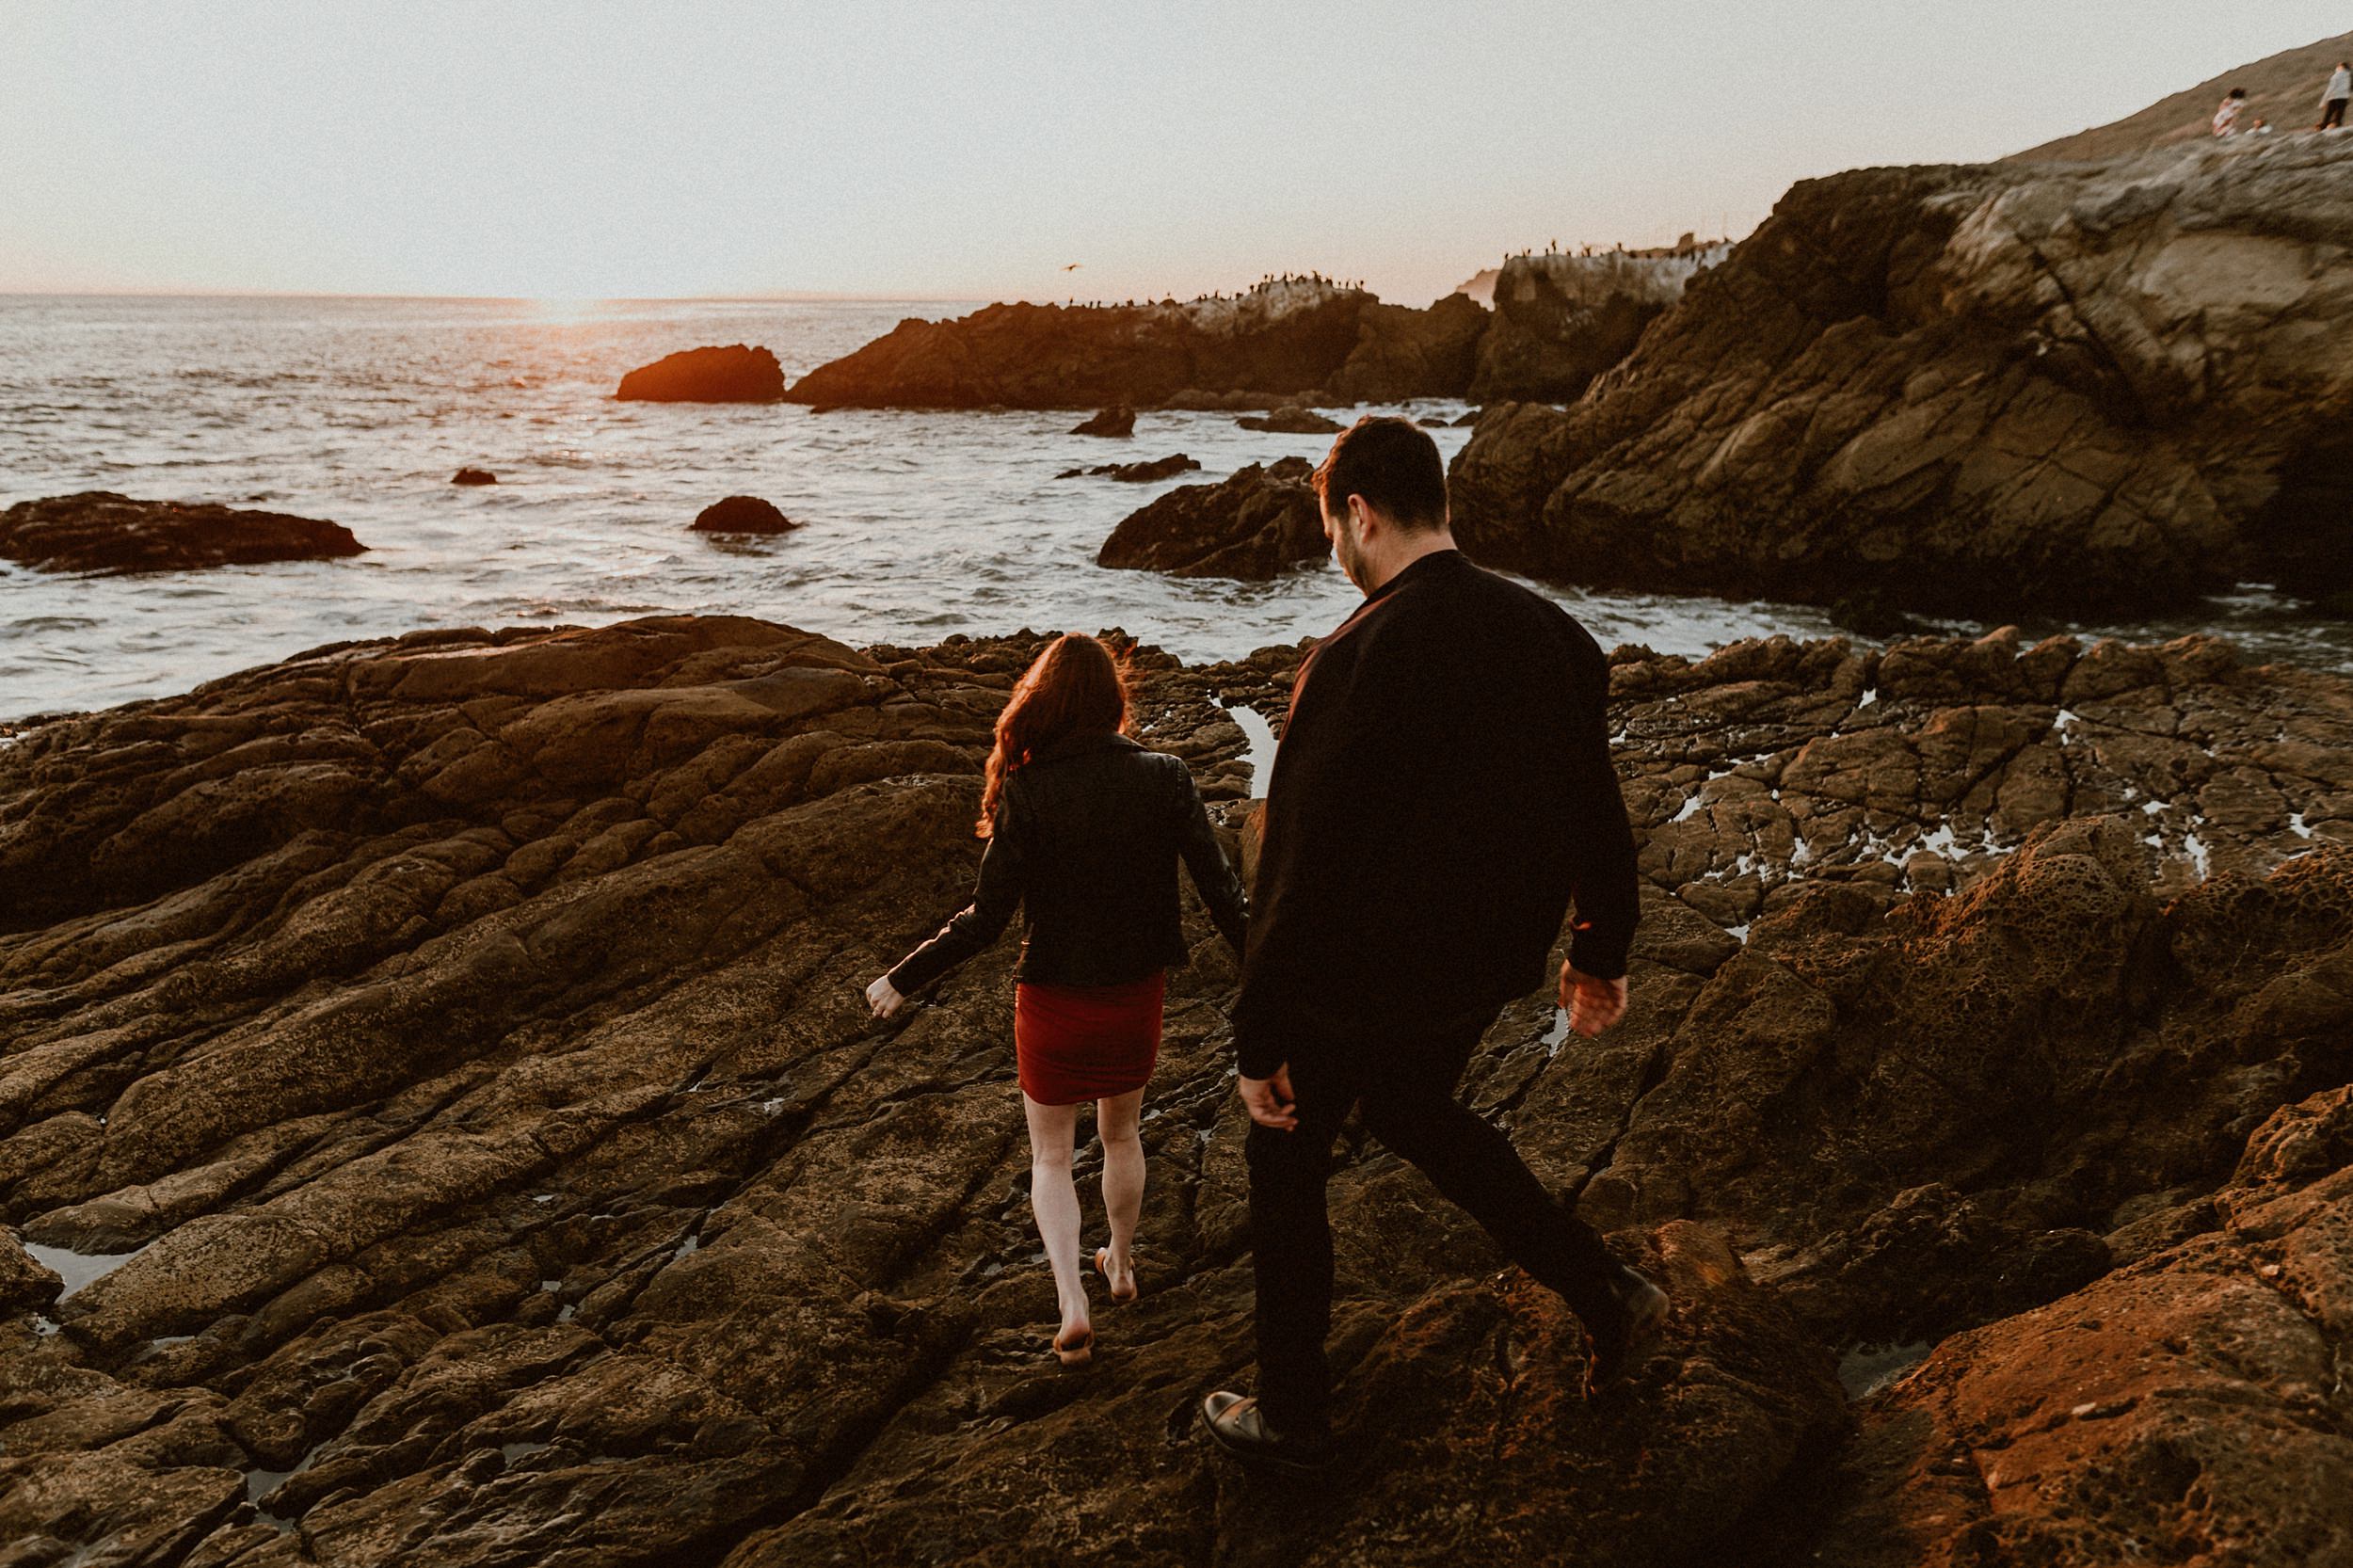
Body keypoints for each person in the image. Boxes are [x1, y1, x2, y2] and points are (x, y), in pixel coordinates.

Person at [1198, 417, 1661, 1474]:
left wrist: (1255, 1027)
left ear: (1357, 513)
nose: (1334, 553)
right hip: (1478, 966)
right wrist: (1599, 945)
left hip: (1359, 972)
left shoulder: (1359, 653)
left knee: (1285, 1153)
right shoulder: (1556, 636)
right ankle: (1606, 1291)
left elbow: (1300, 863)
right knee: (1411, 1108)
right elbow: (1597, 807)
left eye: (1330, 530)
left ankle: (1292, 1415)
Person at [867, 634, 1247, 1365]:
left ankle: (1072, 1301)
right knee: (1121, 1137)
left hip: (1051, 1000)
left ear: (1045, 703)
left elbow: (985, 920)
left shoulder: (1029, 788)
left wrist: (902, 977)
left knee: (1050, 1157)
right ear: (1114, 703)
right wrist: (1276, 973)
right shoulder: (1166, 776)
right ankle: (1123, 1266)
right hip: (1134, 993)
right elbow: (1225, 898)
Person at [2321, 61, 2350, 131]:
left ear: (2340, 67)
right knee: (2339, 113)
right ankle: (2336, 125)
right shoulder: (2349, 75)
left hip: (2334, 97)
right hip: (2344, 97)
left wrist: (2323, 101)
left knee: (2328, 113)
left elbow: (2330, 88)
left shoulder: (2336, 76)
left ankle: (2323, 126)